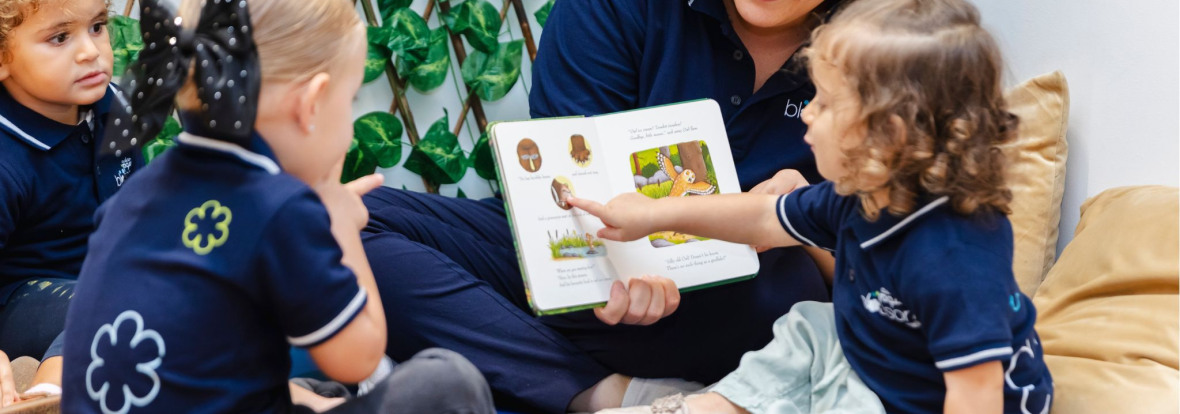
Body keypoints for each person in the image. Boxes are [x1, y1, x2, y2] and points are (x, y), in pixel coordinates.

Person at [360, 0, 847, 412]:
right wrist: (630, 264)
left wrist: (805, 218)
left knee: (794, 286)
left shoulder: (881, 46)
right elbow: (563, 179)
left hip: (745, 304)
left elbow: (889, 269)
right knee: (348, 222)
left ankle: (521, 360)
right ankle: (605, 393)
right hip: (580, 262)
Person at [572, 0, 1054, 412]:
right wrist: (655, 213)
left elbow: (977, 389)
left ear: (888, 133)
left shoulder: (953, 257)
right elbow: (761, 216)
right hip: (877, 348)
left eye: (824, 103)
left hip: (918, 398)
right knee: (809, 324)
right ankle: (712, 403)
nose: (806, 111)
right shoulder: (863, 196)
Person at [59, 0, 493, 412]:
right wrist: (340, 223)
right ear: (311, 104)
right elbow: (359, 356)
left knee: (313, 390)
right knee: (448, 384)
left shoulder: (143, 190)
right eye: (350, 102)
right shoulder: (278, 206)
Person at [0, 0, 136, 404]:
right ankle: (48, 392)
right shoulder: (6, 156)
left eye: (97, 27)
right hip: (24, 300)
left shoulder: (114, 108)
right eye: (60, 37)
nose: (90, 51)